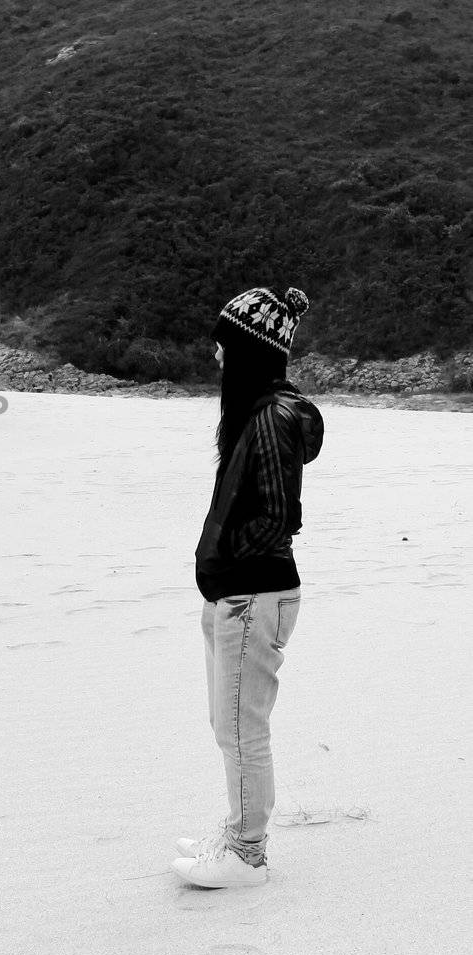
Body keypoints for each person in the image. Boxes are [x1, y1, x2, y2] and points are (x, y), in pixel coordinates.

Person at [173, 286, 324, 889]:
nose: (216, 354)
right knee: (228, 725)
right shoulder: (257, 412)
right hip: (238, 594)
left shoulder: (271, 417)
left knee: (241, 728)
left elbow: (277, 516)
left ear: (247, 351)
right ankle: (239, 829)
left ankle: (247, 853)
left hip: (251, 596)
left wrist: (228, 566)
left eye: (225, 343)